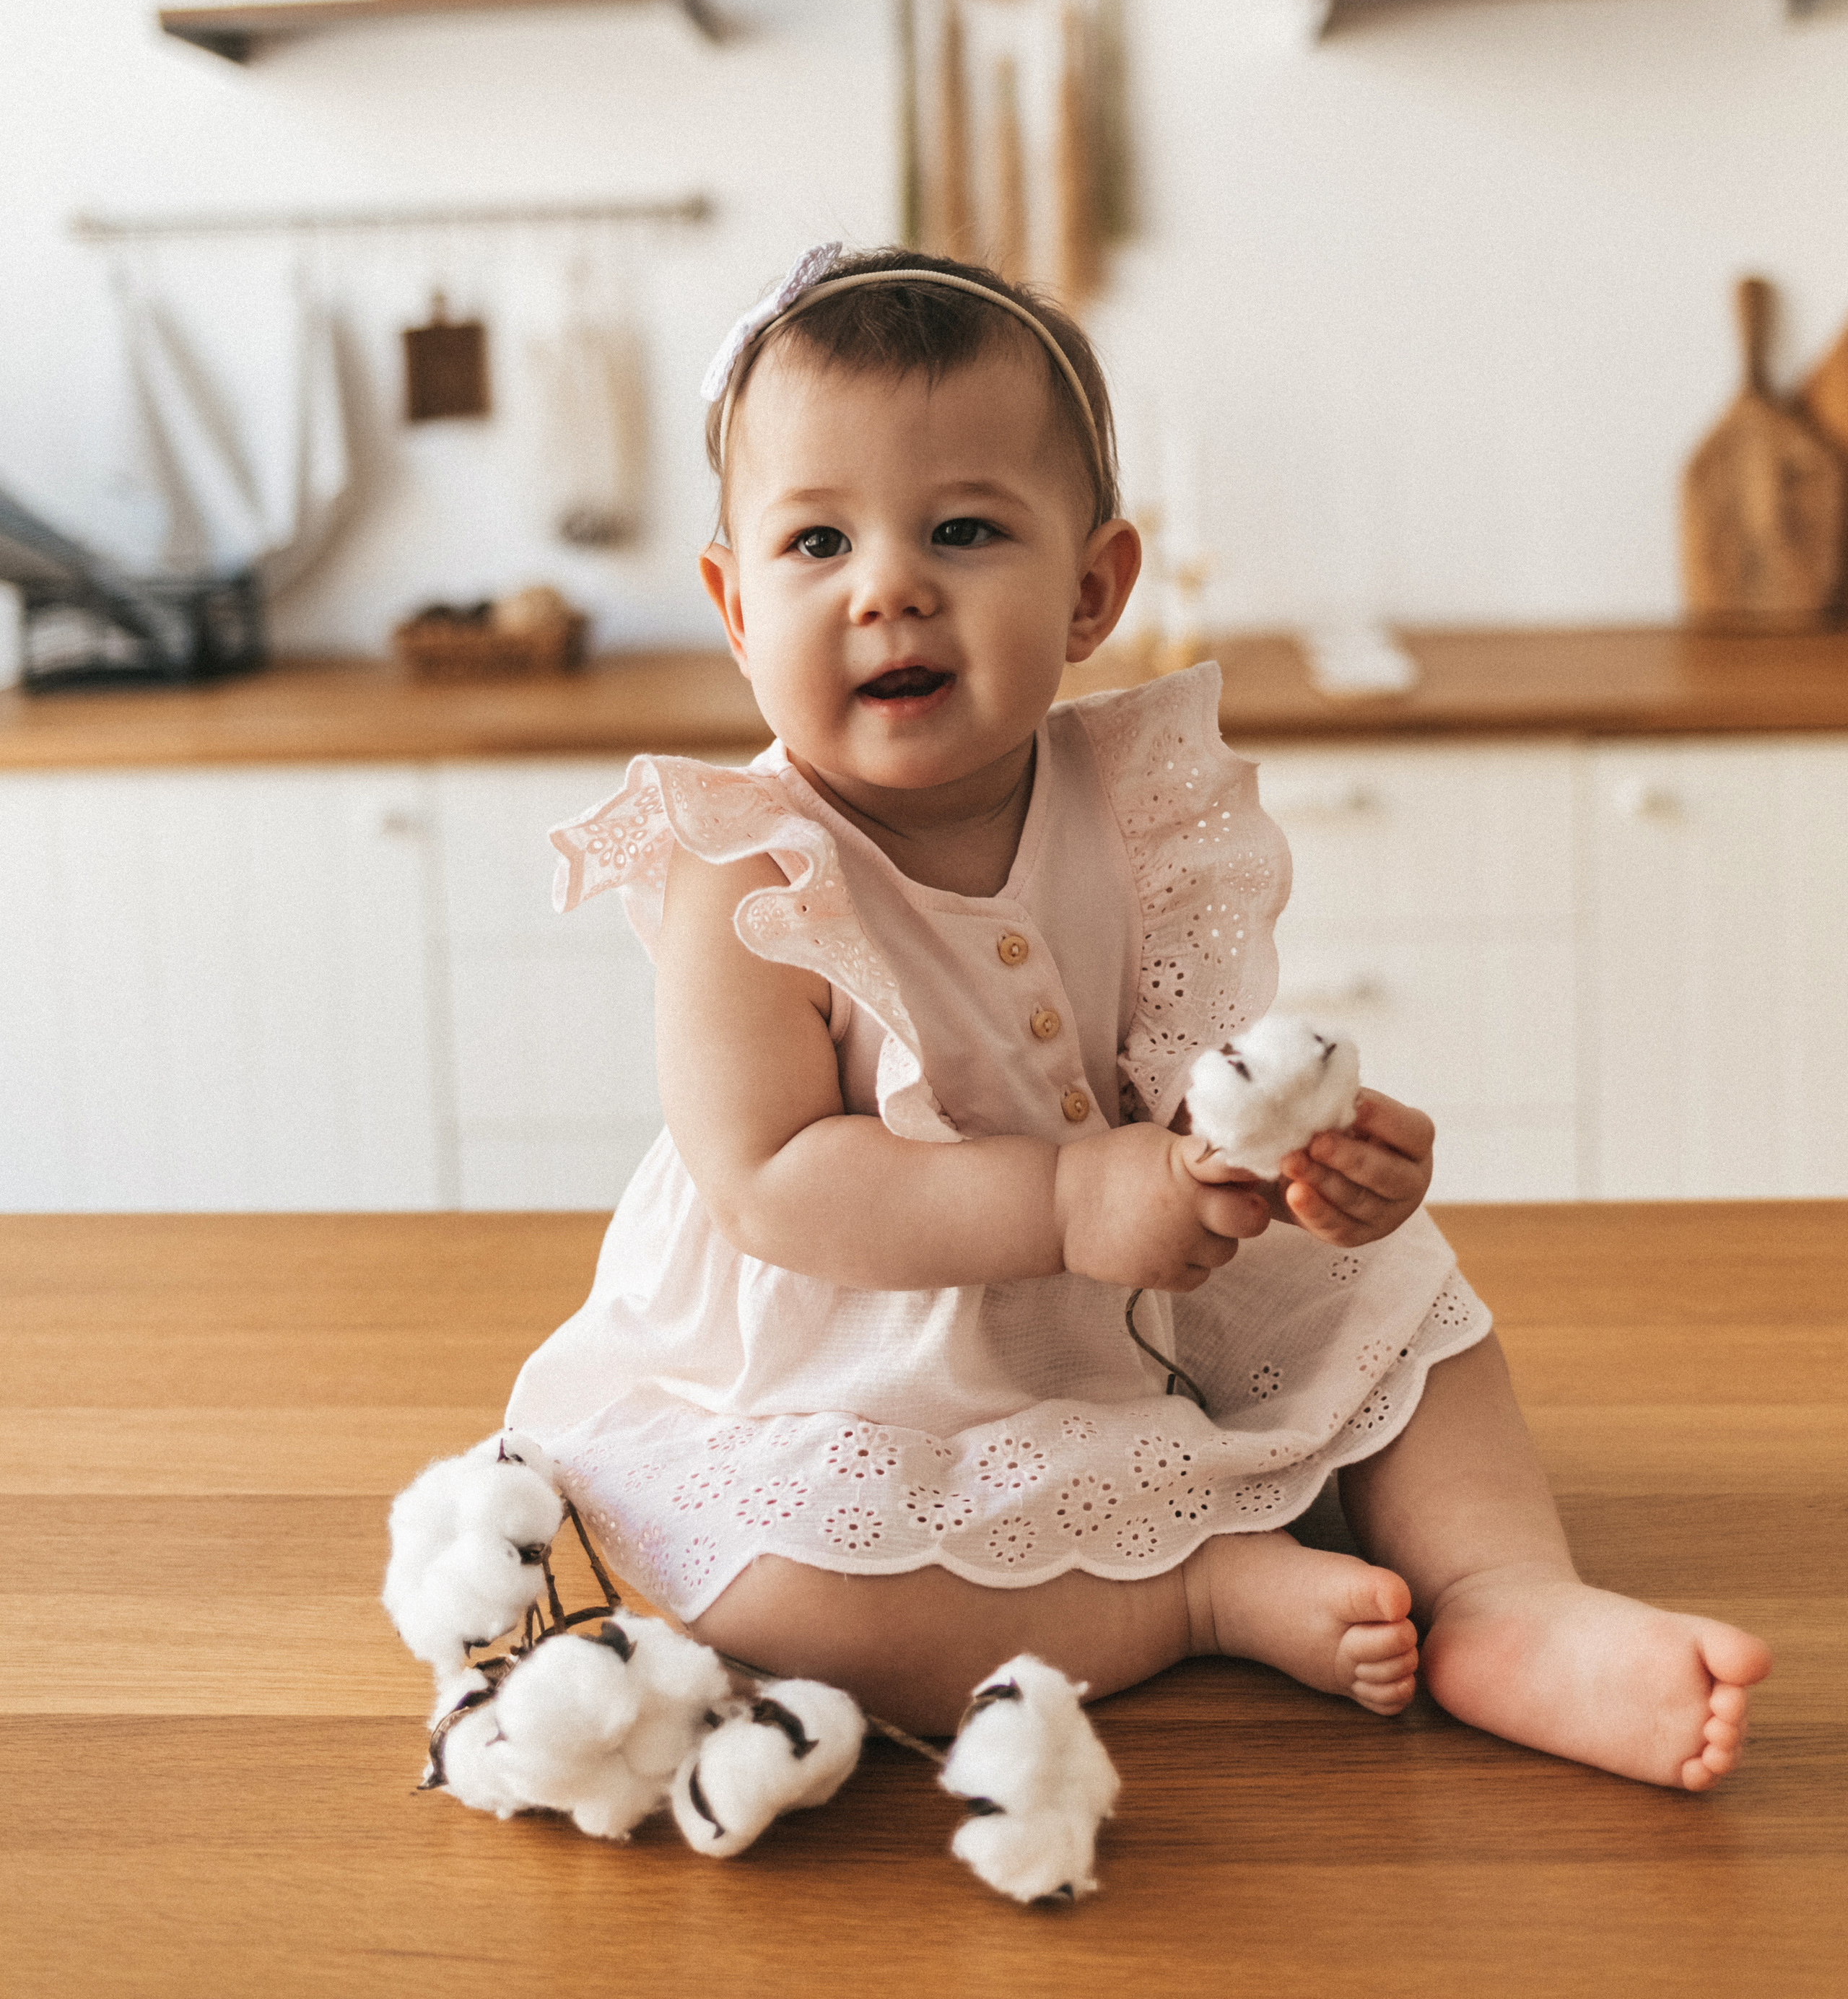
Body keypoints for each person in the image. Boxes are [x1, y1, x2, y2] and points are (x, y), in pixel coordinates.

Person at [509, 243, 1768, 1777]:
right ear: (732, 604)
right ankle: (1192, 1591)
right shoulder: (747, 869)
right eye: (817, 540)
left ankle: (1507, 1596)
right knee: (778, 1594)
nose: (887, 586)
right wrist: (1064, 1198)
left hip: (1134, 1275)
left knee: (1401, 1310)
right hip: (856, 1341)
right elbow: (773, 1182)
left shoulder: (1132, 803)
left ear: (1093, 589)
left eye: (962, 530)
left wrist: (1298, 1159)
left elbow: (1177, 1079)